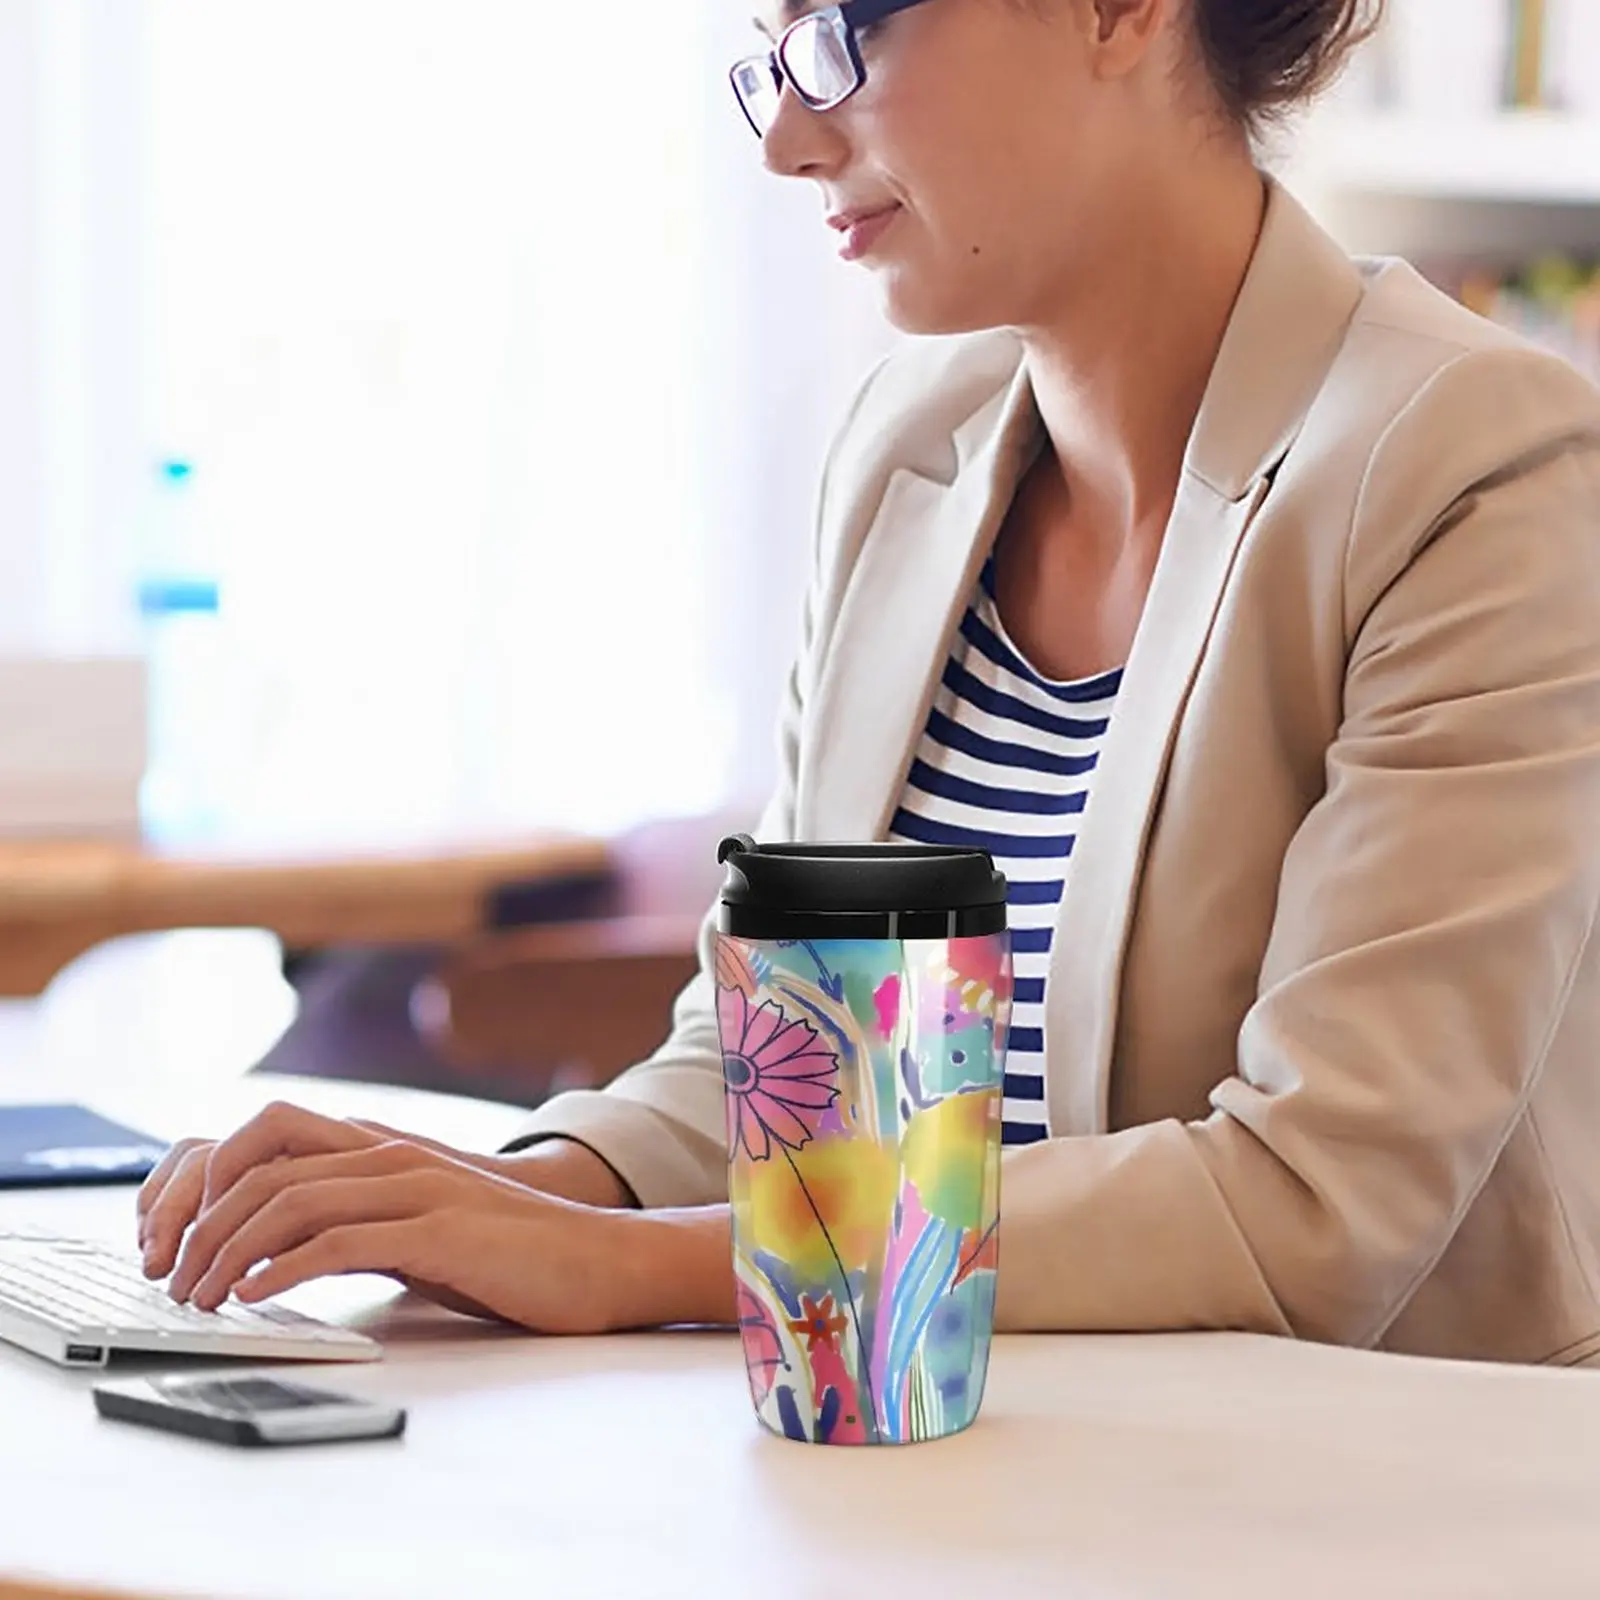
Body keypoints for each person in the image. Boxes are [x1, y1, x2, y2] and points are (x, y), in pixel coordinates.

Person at [137, 0, 1600, 1364]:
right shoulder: (912, 448)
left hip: (1370, 1511)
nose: (786, 135)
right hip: (966, 1473)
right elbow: (776, 1065)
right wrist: (488, 1201)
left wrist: (631, 1266)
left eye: (839, 31)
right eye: (767, 54)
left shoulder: (1477, 469)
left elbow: (1319, 1200)